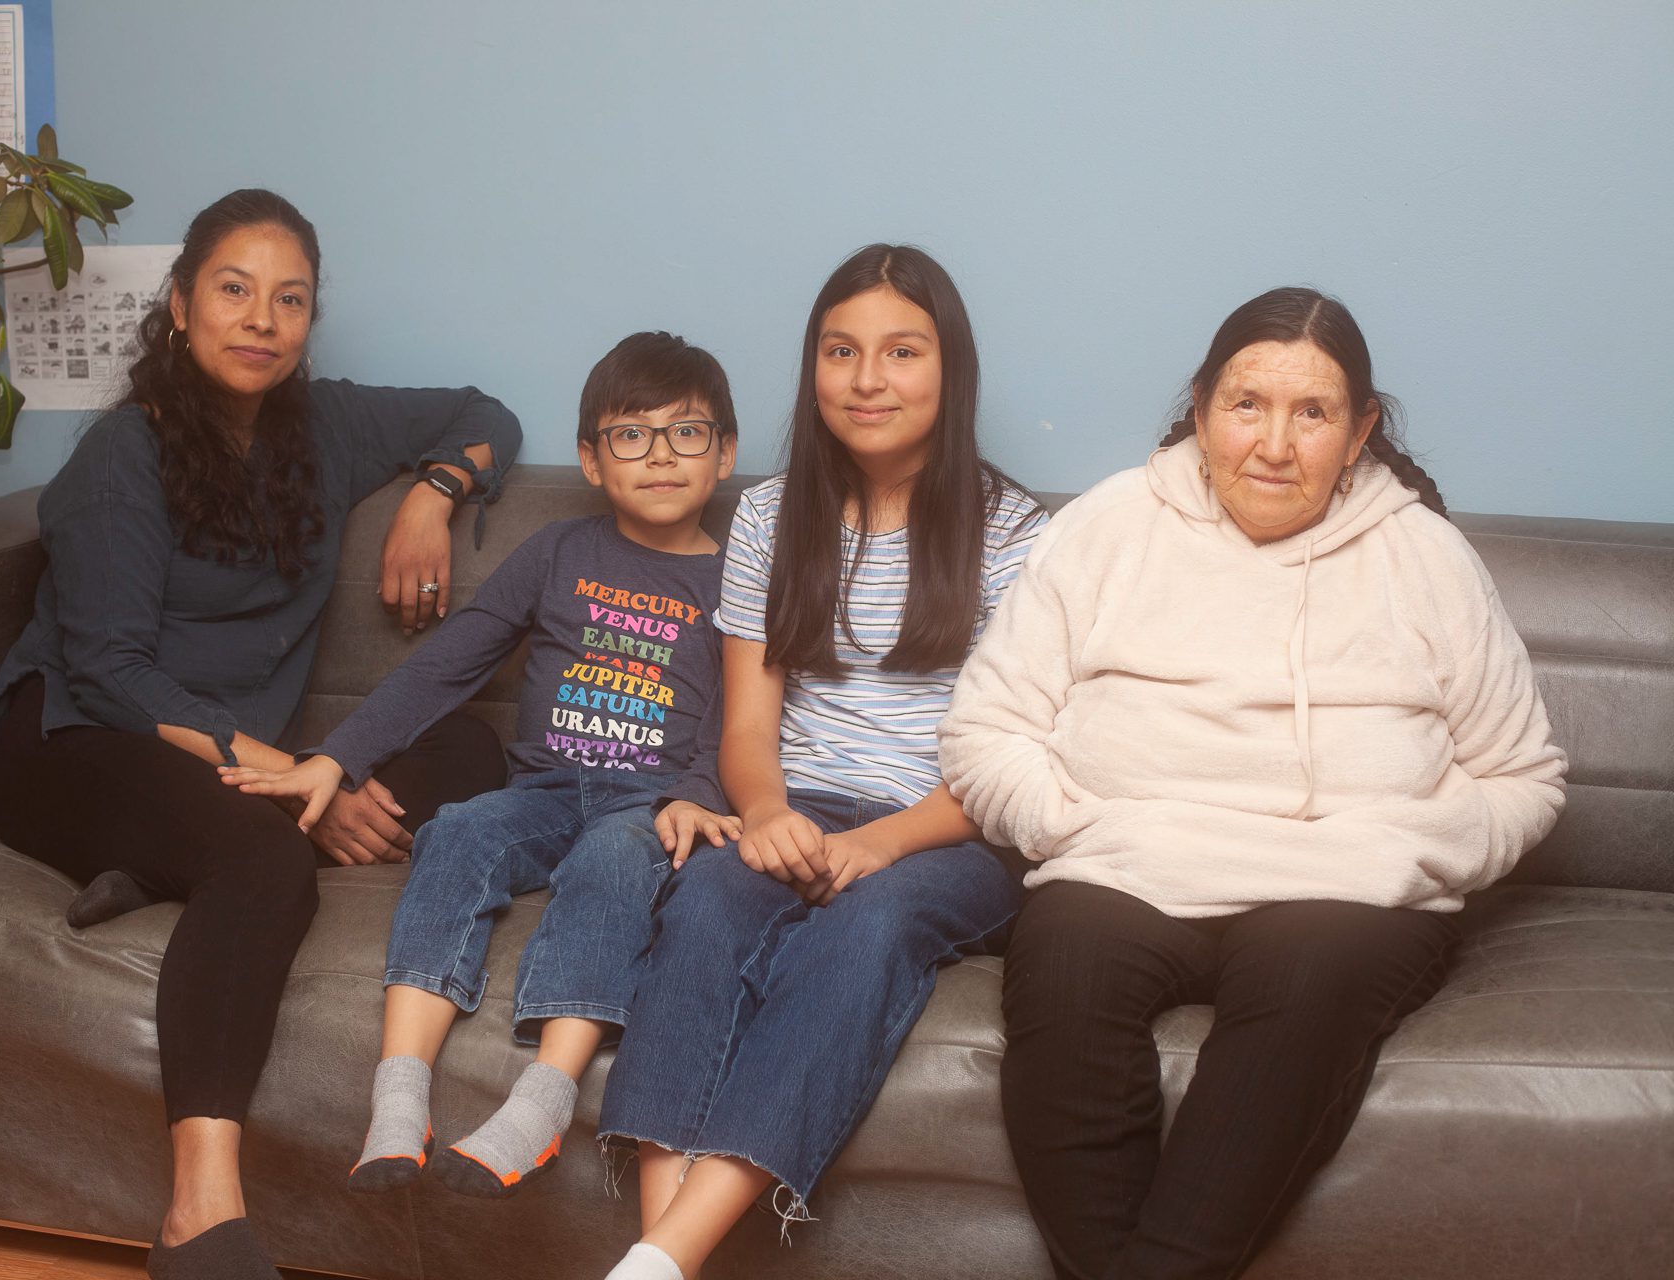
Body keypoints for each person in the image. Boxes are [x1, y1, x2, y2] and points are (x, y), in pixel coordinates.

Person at [940, 287, 1567, 1280]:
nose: (1274, 444)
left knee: (1307, 979)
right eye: (1246, 405)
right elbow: (986, 733)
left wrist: (1406, 849)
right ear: (1200, 408)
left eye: (1312, 412)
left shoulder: (1425, 555)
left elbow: (1523, 772)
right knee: (1065, 966)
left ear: (1359, 429)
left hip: (1341, 894)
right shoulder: (1109, 525)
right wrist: (1077, 825)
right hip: (1127, 868)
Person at [0, 189, 522, 1280]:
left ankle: (161, 860)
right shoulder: (118, 459)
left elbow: (483, 410)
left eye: (290, 299)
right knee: (269, 856)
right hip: (75, 739)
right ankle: (200, 1211)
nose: (261, 319)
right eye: (234, 289)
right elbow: (115, 673)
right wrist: (301, 781)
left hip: (227, 768)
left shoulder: (326, 428)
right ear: (179, 304)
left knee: (476, 751)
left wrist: (434, 492)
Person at [595, 245, 1047, 1280]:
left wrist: (877, 846)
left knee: (869, 925)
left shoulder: (1018, 530)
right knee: (705, 899)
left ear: (951, 368)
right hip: (803, 801)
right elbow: (749, 727)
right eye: (840, 351)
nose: (867, 378)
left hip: (948, 824)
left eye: (901, 351)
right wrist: (763, 815)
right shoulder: (767, 513)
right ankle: (664, 1254)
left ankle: (662, 1257)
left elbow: (1013, 760)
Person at [218, 331, 741, 1201]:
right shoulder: (559, 553)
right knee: (456, 827)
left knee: (612, 859)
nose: (659, 456)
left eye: (686, 434)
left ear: (723, 454)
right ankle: (398, 1098)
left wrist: (693, 794)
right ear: (590, 457)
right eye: (630, 435)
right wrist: (338, 756)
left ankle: (542, 1099)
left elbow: (741, 713)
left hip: (645, 807)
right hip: (539, 790)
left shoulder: (736, 578)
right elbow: (450, 660)